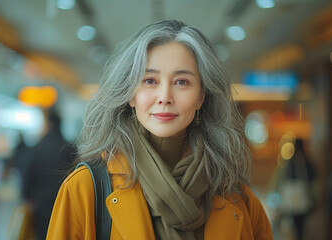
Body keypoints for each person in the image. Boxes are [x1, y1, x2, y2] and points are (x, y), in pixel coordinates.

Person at [47, 20, 272, 239]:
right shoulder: (85, 189)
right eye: (149, 81)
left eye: (182, 82)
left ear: (201, 97)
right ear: (130, 94)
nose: (165, 97)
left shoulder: (238, 197)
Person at [20, 109, 76, 240]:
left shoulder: (36, 148)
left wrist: (27, 196)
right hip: (65, 202)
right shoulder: (70, 148)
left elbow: (27, 174)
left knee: (43, 235)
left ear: (48, 124)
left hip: (41, 204)